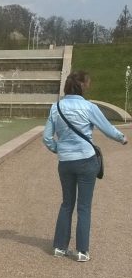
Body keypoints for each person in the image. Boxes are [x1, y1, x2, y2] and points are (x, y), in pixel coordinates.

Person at [43, 69, 127, 261]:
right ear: (82, 86)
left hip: (65, 162)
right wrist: (122, 138)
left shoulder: (56, 107)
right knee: (84, 206)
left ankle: (59, 248)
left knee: (66, 204)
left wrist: (58, 149)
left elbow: (47, 137)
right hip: (86, 160)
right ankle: (82, 251)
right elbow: (107, 129)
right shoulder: (89, 107)